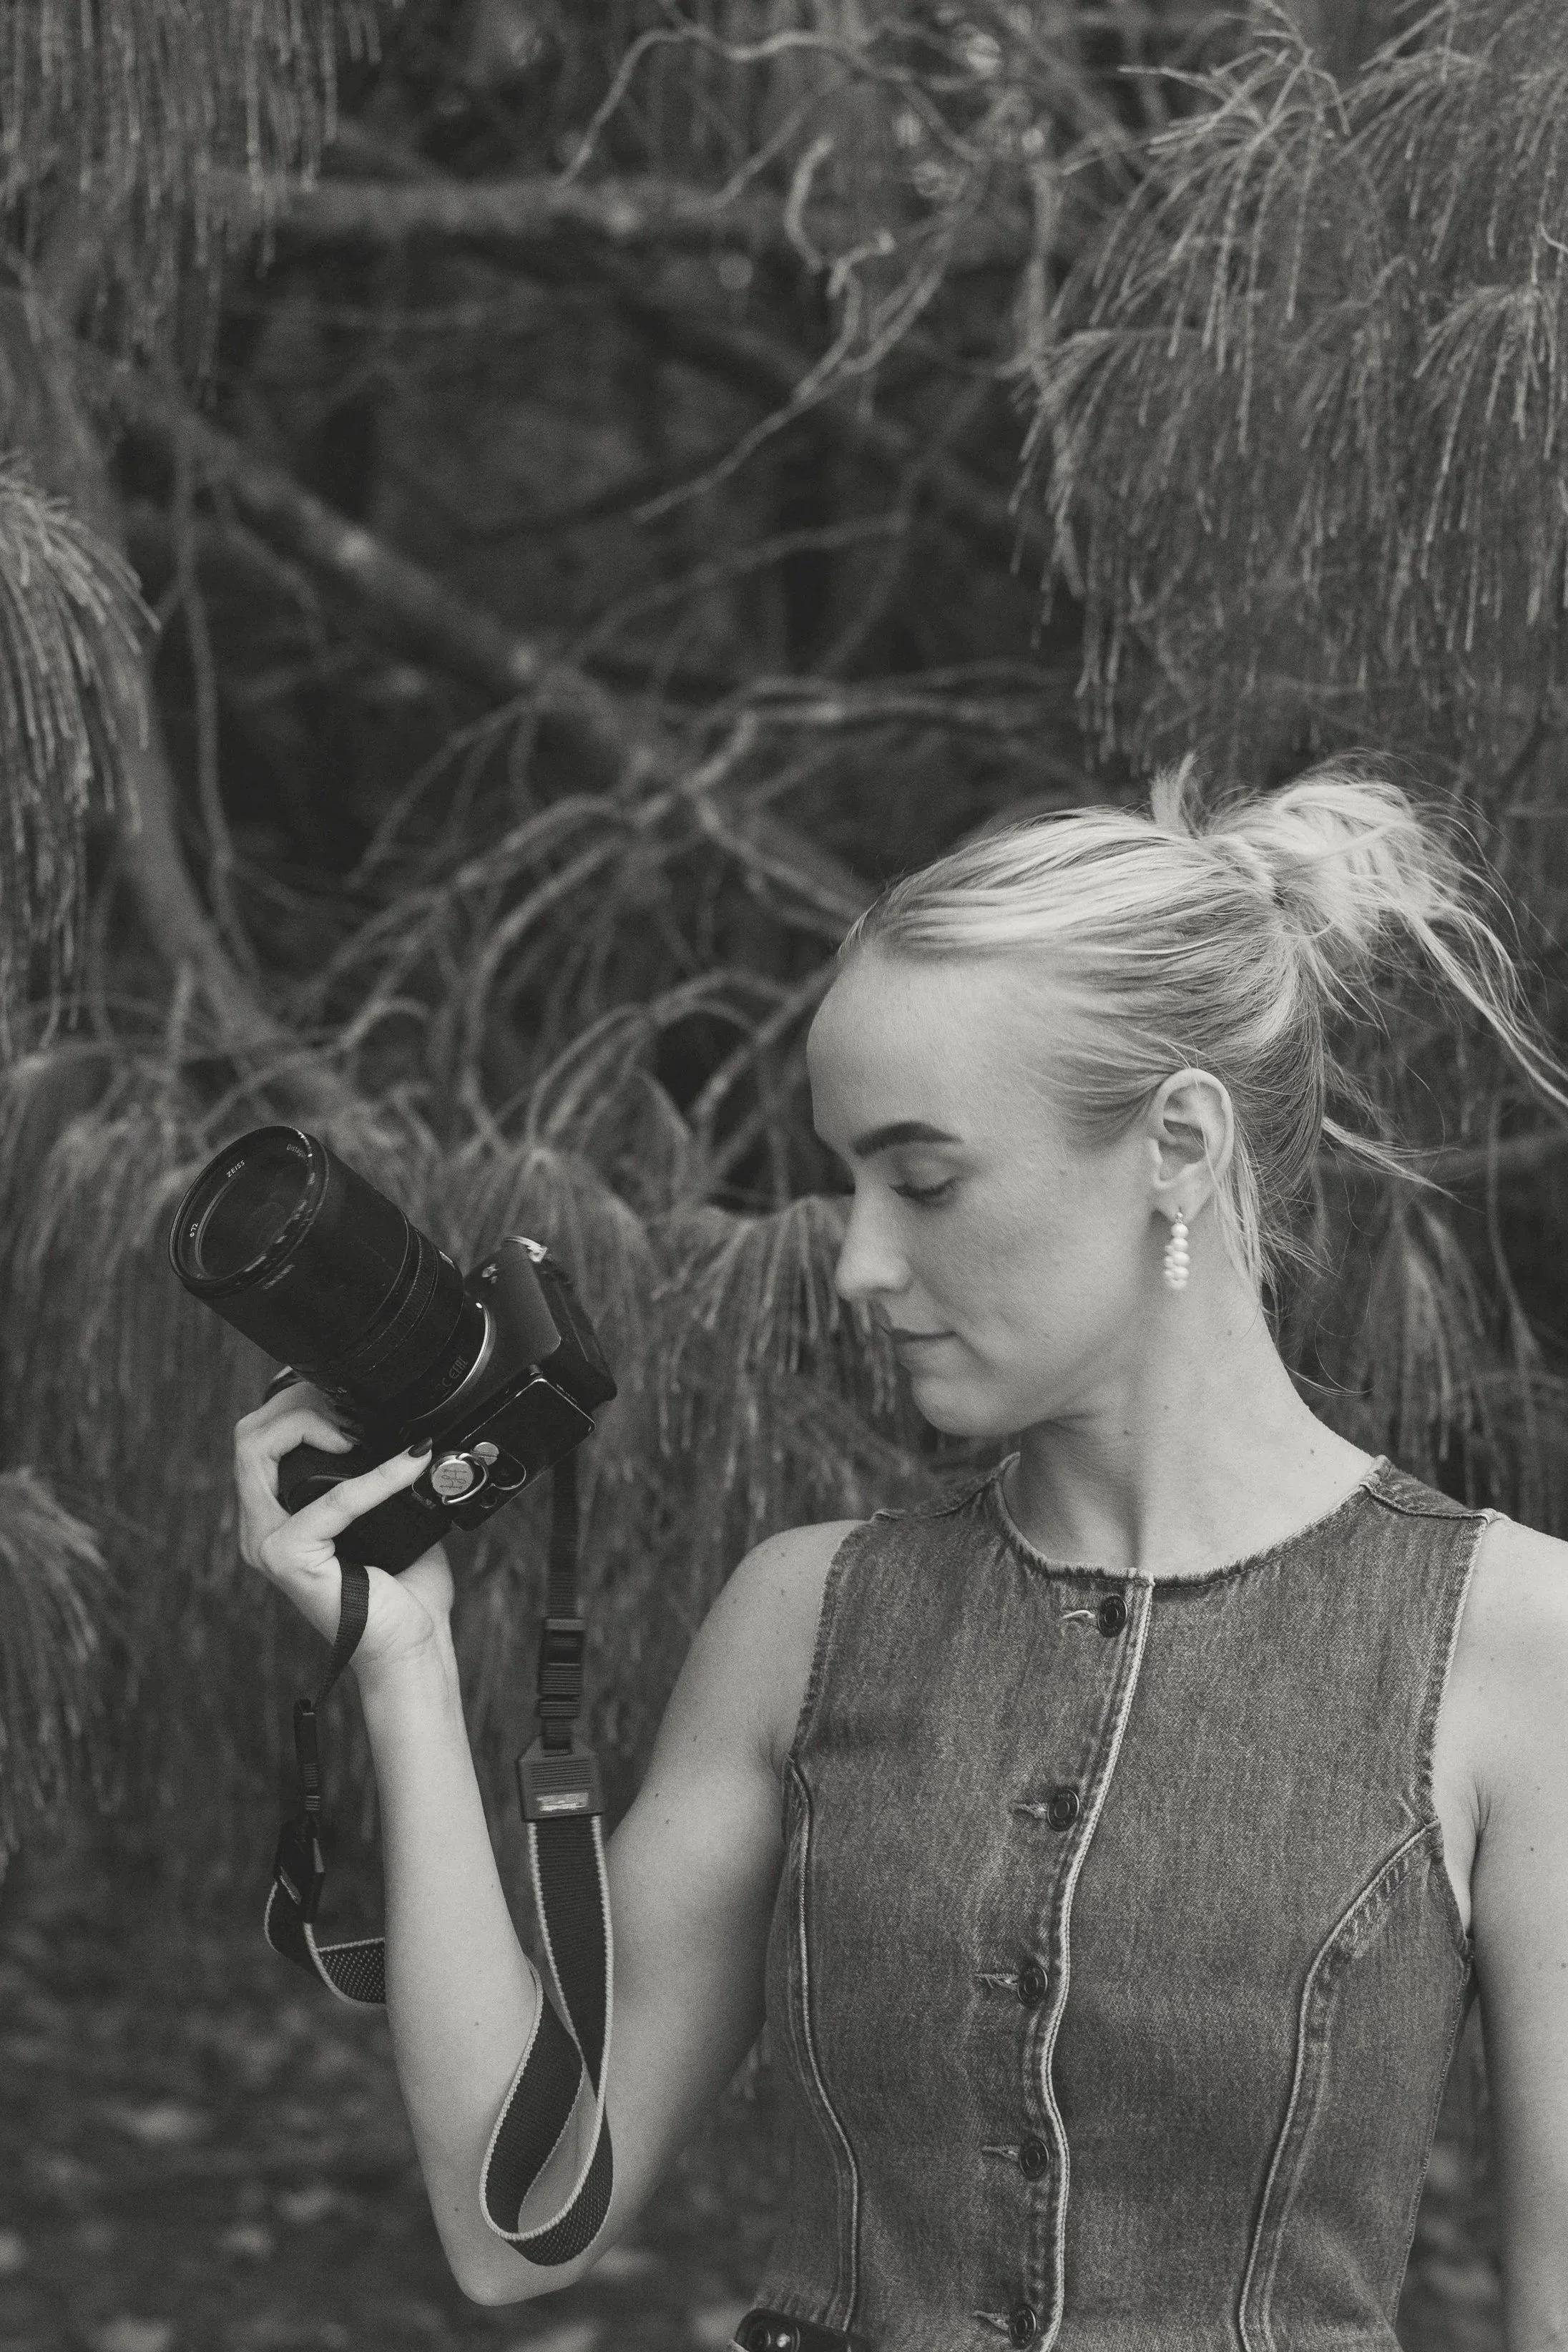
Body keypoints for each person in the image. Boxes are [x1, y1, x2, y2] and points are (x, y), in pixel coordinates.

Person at [233, 761, 1568, 2351]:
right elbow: (518, 2226)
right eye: (848, 1181)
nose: (861, 1261)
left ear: (1179, 1144)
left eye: (923, 1181)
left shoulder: (1511, 1642)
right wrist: (401, 1664)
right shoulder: (803, 1617)